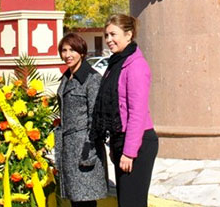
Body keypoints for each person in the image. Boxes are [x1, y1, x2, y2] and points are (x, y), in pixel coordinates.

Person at [92, 14, 158, 207]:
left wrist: (129, 152)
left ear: (128, 35)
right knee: (126, 201)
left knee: (132, 202)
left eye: (113, 34)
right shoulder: (116, 63)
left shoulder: (136, 65)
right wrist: (115, 146)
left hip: (138, 143)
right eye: (106, 35)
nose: (108, 40)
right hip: (121, 139)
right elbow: (116, 111)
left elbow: (137, 113)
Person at [54, 32, 107, 207]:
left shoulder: (91, 79)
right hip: (68, 148)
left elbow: (96, 117)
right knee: (76, 200)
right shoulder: (66, 77)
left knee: (85, 200)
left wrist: (88, 150)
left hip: (83, 148)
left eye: (72, 50)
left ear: (82, 52)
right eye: (64, 50)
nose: (67, 55)